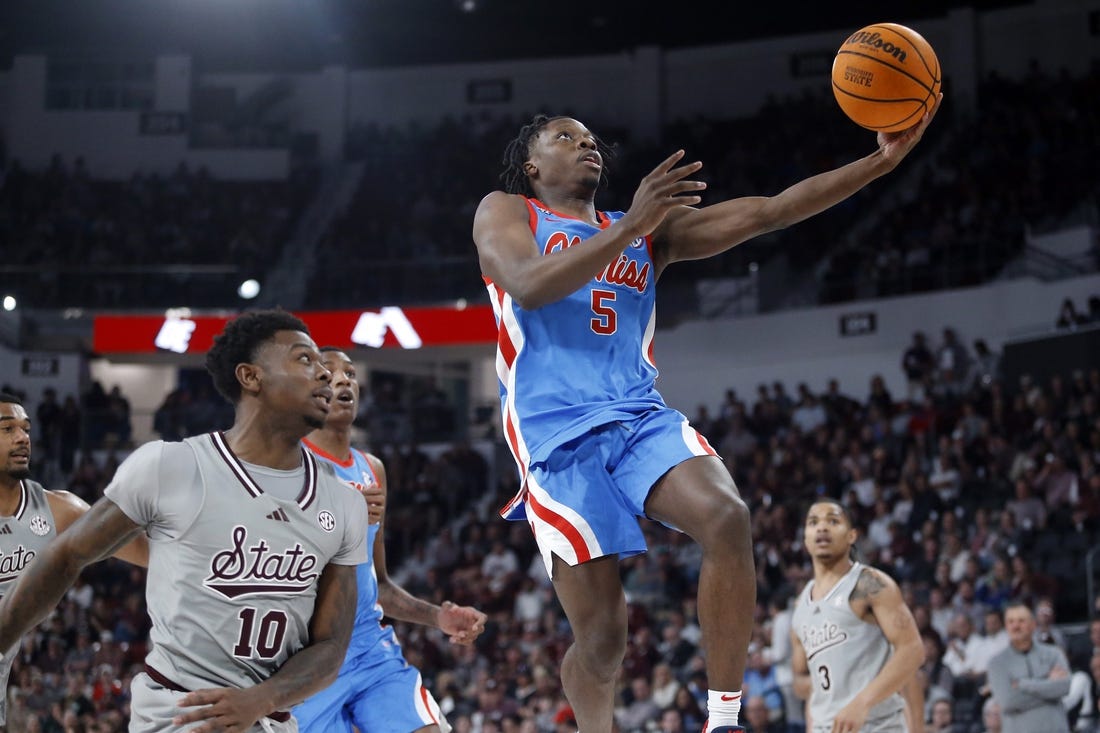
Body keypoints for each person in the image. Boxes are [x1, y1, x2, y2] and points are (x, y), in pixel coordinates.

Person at [472, 102, 939, 733]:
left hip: (639, 416)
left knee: (727, 516)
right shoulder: (506, 210)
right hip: (556, 435)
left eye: (592, 139)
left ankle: (723, 718)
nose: (589, 146)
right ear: (531, 164)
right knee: (605, 641)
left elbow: (770, 211)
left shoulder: (643, 232)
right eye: (567, 138)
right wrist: (631, 225)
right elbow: (527, 285)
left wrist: (880, 162)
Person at [0, 309, 370, 732]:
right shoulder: (171, 466)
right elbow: (66, 554)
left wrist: (258, 700)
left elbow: (332, 646)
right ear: (251, 377)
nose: (327, 374)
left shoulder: (345, 504)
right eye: (306, 359)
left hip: (270, 719)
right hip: (178, 715)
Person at [293, 347, 487, 732]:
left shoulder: (372, 468)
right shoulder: (288, 464)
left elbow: (377, 584)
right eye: (329, 373)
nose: (343, 379)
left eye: (350, 373)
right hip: (305, 660)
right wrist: (342, 517)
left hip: (370, 651)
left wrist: (437, 617)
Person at [0, 392, 148, 728]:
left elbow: (147, 551)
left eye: (25, 428)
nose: (23, 437)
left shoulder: (58, 510)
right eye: (7, 429)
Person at [790, 499, 925, 733]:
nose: (822, 528)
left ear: (852, 535)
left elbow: (912, 650)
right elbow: (800, 680)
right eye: (813, 522)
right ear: (805, 538)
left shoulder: (870, 584)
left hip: (877, 726)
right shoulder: (801, 604)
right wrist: (828, 689)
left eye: (833, 521)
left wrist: (861, 702)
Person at [986, 601, 1071, 733]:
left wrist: (1023, 684)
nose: (1016, 626)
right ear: (1006, 627)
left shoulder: (1054, 653)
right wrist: (1048, 685)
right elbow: (1008, 702)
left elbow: (1063, 687)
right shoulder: (997, 663)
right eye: (1011, 621)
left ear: (1033, 625)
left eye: (1021, 621)